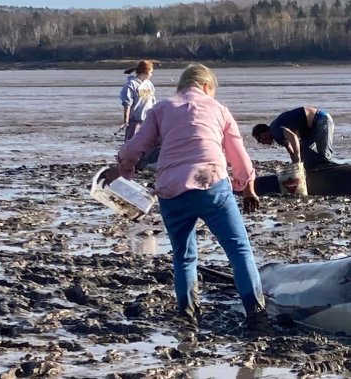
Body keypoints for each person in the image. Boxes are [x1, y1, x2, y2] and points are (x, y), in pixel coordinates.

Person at [101, 63, 269, 331]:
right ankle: (256, 315)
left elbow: (135, 147)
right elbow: (240, 158)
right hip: (211, 183)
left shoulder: (162, 109)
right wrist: (247, 187)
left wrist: (121, 170)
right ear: (206, 86)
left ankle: (188, 316)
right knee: (239, 250)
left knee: (184, 256)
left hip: (171, 190)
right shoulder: (219, 110)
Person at [252, 106, 335, 169]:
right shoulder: (278, 137)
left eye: (259, 139)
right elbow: (291, 152)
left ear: (263, 134)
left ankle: (332, 171)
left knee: (324, 155)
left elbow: (293, 137)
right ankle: (314, 171)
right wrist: (296, 166)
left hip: (321, 119)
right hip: (308, 129)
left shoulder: (275, 130)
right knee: (304, 154)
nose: (261, 143)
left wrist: (298, 159)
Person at [119, 60, 156, 141]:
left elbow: (153, 103)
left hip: (148, 122)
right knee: (131, 145)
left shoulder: (149, 84)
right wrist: (126, 121)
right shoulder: (131, 84)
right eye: (151, 72)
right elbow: (127, 104)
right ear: (145, 71)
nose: (151, 74)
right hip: (134, 122)